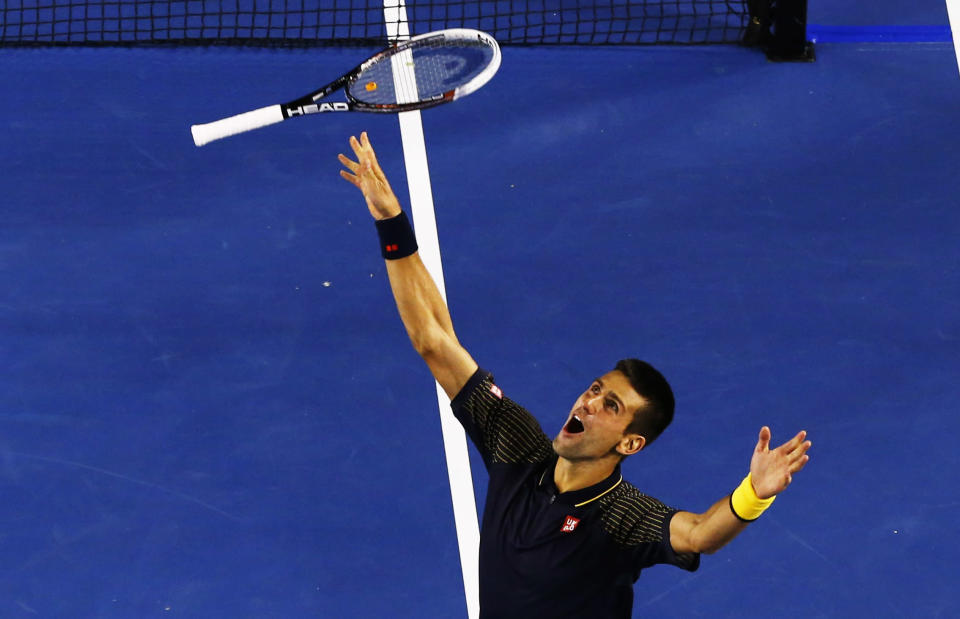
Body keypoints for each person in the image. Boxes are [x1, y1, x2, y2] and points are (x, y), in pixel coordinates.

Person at [338, 132, 811, 618]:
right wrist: (390, 221)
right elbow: (435, 342)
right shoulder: (517, 448)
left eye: (611, 406)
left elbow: (698, 535)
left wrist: (753, 493)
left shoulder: (623, 518)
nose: (588, 403)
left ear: (630, 443)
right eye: (595, 389)